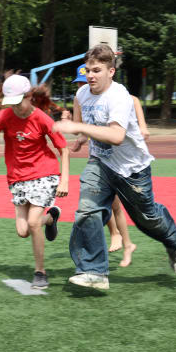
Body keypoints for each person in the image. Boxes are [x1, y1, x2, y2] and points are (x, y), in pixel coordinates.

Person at [53, 45, 176, 290]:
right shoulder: (81, 95)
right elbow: (82, 123)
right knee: (87, 211)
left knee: (148, 219)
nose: (91, 76)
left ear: (111, 71)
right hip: (101, 164)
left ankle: (171, 239)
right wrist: (80, 136)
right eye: (88, 70)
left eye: (97, 70)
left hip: (132, 169)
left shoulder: (119, 96)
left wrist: (75, 128)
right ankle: (94, 272)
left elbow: (115, 136)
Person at [0, 75, 69, 288]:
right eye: (11, 103)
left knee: (33, 223)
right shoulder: (5, 116)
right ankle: (51, 218)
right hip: (17, 178)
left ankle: (40, 272)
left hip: (44, 173)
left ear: (29, 97)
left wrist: (65, 180)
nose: (15, 108)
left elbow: (63, 148)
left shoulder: (42, 118)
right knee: (23, 230)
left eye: (18, 102)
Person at [70, 65, 139, 267]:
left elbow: (111, 127)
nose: (85, 84)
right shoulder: (82, 97)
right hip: (99, 158)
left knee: (114, 204)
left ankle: (123, 240)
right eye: (81, 82)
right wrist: (81, 138)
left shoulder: (114, 96)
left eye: (87, 79)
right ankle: (121, 240)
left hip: (118, 160)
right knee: (106, 203)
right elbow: (85, 127)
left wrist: (142, 127)